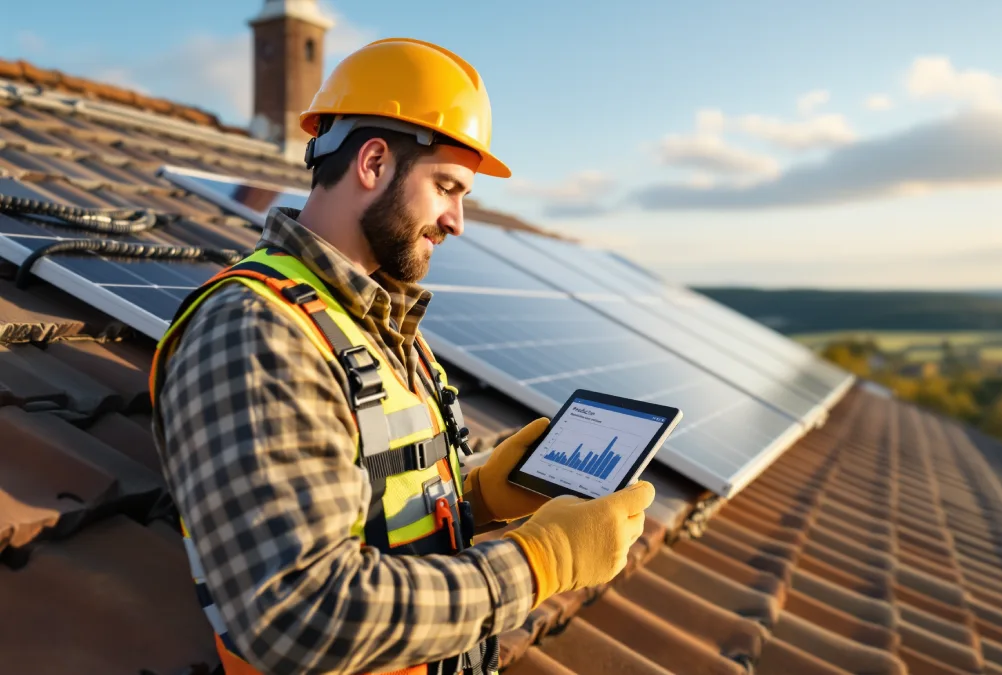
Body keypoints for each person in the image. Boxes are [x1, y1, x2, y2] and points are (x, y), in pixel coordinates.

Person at [149, 37, 655, 675]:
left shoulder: (373, 322)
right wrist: (539, 562)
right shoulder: (255, 334)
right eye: (447, 187)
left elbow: (372, 516)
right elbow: (301, 613)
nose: (457, 220)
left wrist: (479, 497)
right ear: (373, 162)